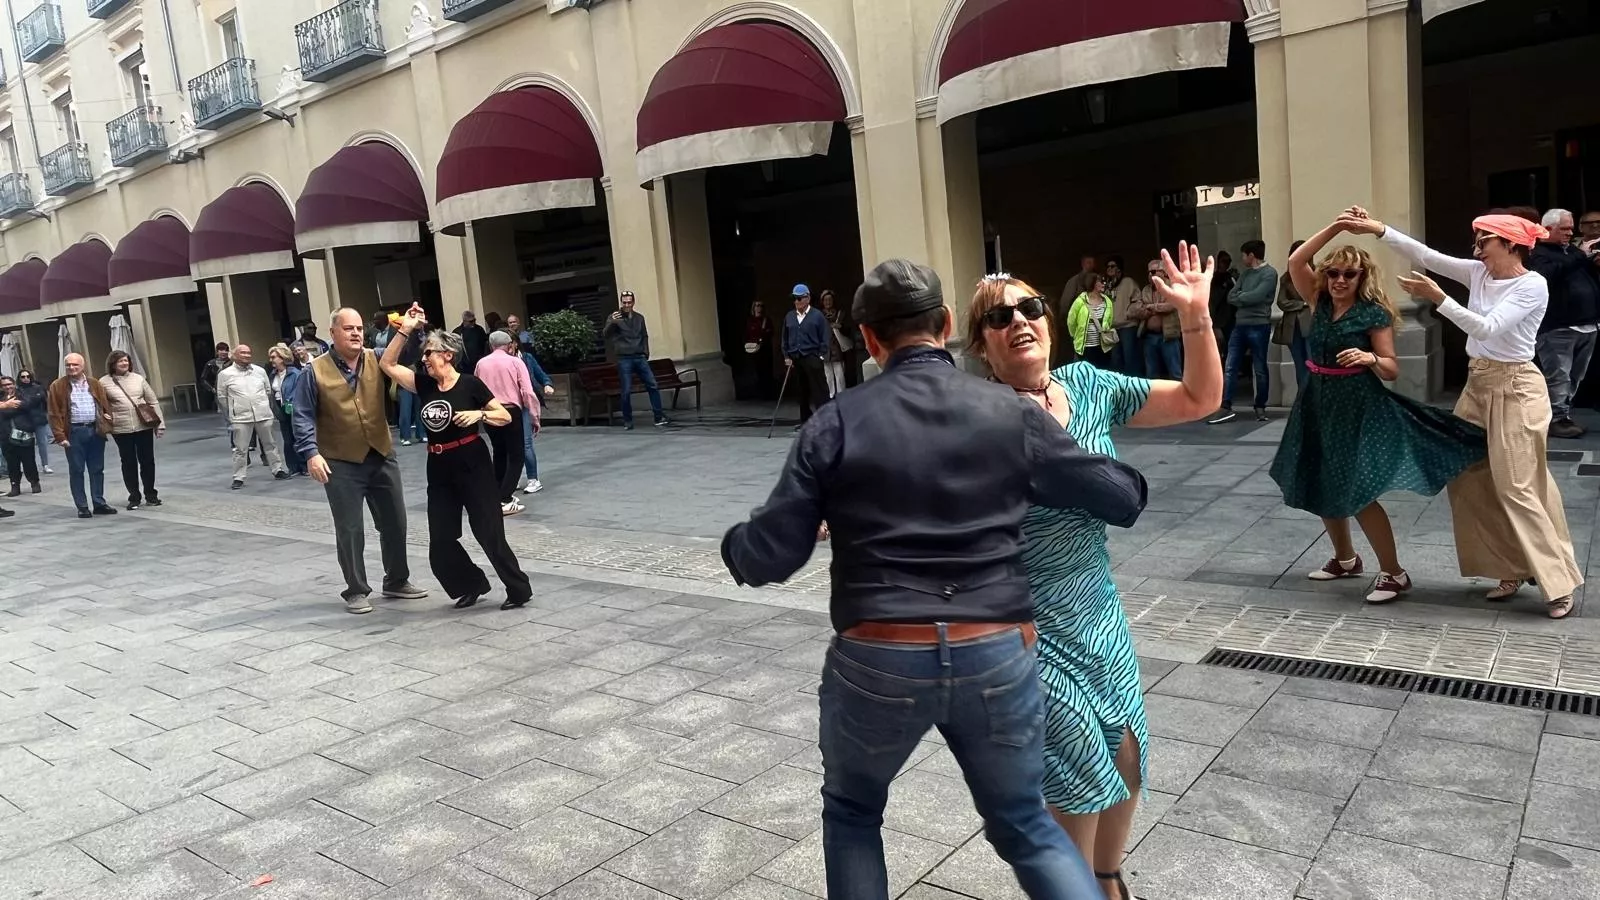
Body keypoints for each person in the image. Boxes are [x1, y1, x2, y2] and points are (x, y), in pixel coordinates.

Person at [721, 257, 1148, 900]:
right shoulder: (1009, 413)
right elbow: (1121, 498)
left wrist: (737, 546)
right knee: (1027, 826)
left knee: (853, 815)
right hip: (994, 650)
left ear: (870, 339)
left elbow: (770, 555)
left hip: (880, 652)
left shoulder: (835, 422)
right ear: (946, 324)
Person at [967, 245, 1220, 900]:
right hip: (1024, 623)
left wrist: (1195, 317)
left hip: (1096, 604)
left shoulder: (1089, 385)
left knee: (1127, 751)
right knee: (1076, 764)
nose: (1019, 321)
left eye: (1030, 308)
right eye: (999, 318)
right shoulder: (974, 416)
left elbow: (1200, 397)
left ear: (1048, 319)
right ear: (983, 346)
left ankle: (1107, 877)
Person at [1352, 206, 1584, 617]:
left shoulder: (1532, 286)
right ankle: (1510, 567)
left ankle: (1558, 582)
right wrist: (1379, 229)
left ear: (1511, 245)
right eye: (1476, 241)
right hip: (1478, 384)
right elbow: (1428, 256)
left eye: (1485, 241)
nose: (1477, 248)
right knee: (1465, 474)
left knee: (1517, 486)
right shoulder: (1479, 273)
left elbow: (1488, 327)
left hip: (1516, 388)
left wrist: (1438, 299)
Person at [1271, 214, 1486, 604]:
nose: (1339, 280)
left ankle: (1394, 573)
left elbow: (1390, 368)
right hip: (1317, 401)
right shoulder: (1319, 301)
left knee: (1359, 488)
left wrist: (1369, 357)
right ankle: (1346, 559)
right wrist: (1337, 227)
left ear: (1361, 277)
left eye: (1348, 274)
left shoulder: (1373, 313)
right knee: (1322, 478)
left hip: (1358, 405)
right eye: (1333, 272)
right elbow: (1296, 261)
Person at [380, 309, 533, 611]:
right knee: (440, 540)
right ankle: (471, 584)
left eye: (429, 353)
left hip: (472, 463)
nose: (424, 359)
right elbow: (387, 363)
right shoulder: (424, 385)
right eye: (424, 354)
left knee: (488, 532)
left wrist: (479, 414)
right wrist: (405, 329)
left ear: (447, 355)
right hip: (439, 467)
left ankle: (518, 589)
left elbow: (504, 415)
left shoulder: (470, 384)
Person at [292, 308, 428, 614]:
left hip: (380, 454)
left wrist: (414, 328)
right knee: (350, 529)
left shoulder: (377, 357)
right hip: (340, 461)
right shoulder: (313, 371)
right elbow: (302, 415)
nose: (356, 333)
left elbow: (407, 354)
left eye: (358, 328)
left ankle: (396, 580)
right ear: (333, 333)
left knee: (395, 522)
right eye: (348, 328)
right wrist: (311, 453)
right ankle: (355, 589)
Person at [1530, 209, 1600, 438]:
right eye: (1564, 229)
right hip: (1558, 326)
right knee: (1558, 376)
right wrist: (1581, 256)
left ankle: (1563, 415)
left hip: (1588, 324)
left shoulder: (1572, 252)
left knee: (1575, 377)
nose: (1570, 233)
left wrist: (1592, 262)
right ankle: (1555, 420)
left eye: (1571, 228)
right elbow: (1545, 276)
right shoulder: (1537, 252)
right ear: (1547, 229)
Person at [1209, 240, 1278, 423]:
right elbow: (1231, 296)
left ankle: (1260, 406)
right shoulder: (1245, 274)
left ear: (1251, 255)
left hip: (1259, 325)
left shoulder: (1269, 273)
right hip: (1239, 326)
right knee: (1230, 366)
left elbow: (1258, 295)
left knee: (1260, 368)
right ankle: (1226, 406)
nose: (1242, 259)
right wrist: (1245, 298)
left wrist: (1242, 297)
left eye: (1243, 255)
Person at [46, 353, 116, 519]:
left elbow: (104, 403)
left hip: (95, 430)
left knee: (97, 469)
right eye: (68, 365)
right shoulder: (58, 385)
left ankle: (99, 502)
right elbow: (53, 412)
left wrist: (107, 417)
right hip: (74, 432)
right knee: (77, 469)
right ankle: (82, 506)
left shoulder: (94, 383)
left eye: (75, 365)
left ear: (82, 366)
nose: (71, 368)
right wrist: (60, 436)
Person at [477, 331, 537, 515]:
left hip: (490, 411)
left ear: (491, 345)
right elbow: (527, 391)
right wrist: (534, 415)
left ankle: (496, 494)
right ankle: (505, 497)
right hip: (511, 410)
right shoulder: (515, 362)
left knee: (499, 452)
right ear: (509, 345)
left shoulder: (481, 364)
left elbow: (476, 388)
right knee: (516, 455)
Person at [216, 344, 290, 490]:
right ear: (235, 355)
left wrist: (264, 406)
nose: (247, 355)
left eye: (249, 353)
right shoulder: (225, 374)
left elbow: (268, 391)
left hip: (263, 414)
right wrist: (233, 410)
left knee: (270, 444)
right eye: (243, 353)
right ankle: (238, 477)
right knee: (240, 449)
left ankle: (278, 469)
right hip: (241, 417)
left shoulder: (259, 371)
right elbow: (222, 396)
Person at [100, 350, 164, 510]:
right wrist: (104, 415)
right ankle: (134, 496)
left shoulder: (138, 378)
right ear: (112, 364)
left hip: (143, 426)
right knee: (128, 462)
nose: (124, 363)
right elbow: (100, 404)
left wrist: (160, 423)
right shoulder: (104, 382)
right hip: (121, 429)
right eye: (120, 361)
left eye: (126, 360)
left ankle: (151, 494)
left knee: (147, 461)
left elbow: (153, 401)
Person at [603, 291, 669, 429]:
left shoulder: (639, 318)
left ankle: (659, 416)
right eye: (624, 302)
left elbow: (644, 335)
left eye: (629, 302)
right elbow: (606, 335)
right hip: (624, 358)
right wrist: (612, 323)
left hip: (639, 357)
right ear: (621, 302)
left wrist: (646, 352)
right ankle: (628, 420)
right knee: (626, 390)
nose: (627, 305)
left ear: (633, 302)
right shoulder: (614, 317)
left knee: (653, 385)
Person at [504, 314, 555, 494]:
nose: (506, 347)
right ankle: (514, 477)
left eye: (509, 343)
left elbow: (541, 375)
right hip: (508, 406)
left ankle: (533, 479)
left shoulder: (526, 358)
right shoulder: (500, 362)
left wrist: (547, 384)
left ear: (515, 344)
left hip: (524, 405)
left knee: (525, 443)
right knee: (511, 445)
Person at [783, 284, 832, 422]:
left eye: (799, 298)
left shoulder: (817, 316)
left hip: (813, 357)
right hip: (796, 358)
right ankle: (805, 420)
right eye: (794, 298)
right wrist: (786, 355)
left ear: (808, 298)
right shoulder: (789, 316)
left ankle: (825, 420)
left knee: (819, 391)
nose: (797, 301)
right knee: (801, 392)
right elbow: (784, 338)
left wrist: (821, 354)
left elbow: (825, 336)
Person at [1129, 259, 1183, 379]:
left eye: (1153, 272)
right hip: (1150, 337)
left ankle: (1178, 392)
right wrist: (1152, 309)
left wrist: (1152, 307)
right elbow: (1137, 309)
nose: (1150, 274)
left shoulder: (1173, 286)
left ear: (1163, 272)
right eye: (1148, 272)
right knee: (1151, 373)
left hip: (1168, 336)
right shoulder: (1145, 290)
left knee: (1175, 372)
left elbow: (1172, 305)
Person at [1273, 239, 1313, 391]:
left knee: (1312, 362)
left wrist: (1305, 304)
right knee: (1299, 363)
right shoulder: (1286, 277)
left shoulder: (1317, 274)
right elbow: (1281, 302)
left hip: (1311, 324)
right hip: (1292, 326)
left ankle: (1312, 397)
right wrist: (1302, 304)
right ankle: (1302, 397)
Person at [267, 344, 308, 477]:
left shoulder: (295, 373)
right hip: (281, 408)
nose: (271, 360)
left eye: (274, 357)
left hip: (294, 408)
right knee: (287, 439)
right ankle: (293, 467)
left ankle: (304, 466)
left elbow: (299, 391)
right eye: (270, 357)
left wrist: (293, 405)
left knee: (298, 437)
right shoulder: (273, 375)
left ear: (282, 358)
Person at [1, 373, 41, 497]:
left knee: (29, 461)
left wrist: (5, 407)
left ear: (14, 384)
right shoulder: (1, 398)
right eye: (4, 385)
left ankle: (34, 482)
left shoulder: (22, 394)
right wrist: (6, 406)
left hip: (24, 433)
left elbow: (28, 404)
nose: (7, 387)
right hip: (6, 435)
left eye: (9, 384)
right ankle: (15, 486)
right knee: (12, 463)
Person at [1056, 255, 1099, 366]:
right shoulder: (1074, 281)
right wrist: (1063, 318)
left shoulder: (1098, 280)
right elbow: (1065, 302)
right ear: (1083, 264)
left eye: (1093, 263)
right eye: (1089, 262)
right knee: (1080, 353)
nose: (1091, 265)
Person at [1103, 256, 1143, 376]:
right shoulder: (1107, 285)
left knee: (1130, 359)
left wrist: (1128, 313)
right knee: (1115, 361)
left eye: (1112, 266)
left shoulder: (1128, 282)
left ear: (1119, 268)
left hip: (1127, 326)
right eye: (1107, 266)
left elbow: (1138, 301)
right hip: (1112, 328)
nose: (1109, 269)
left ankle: (1133, 384)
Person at [1065, 274, 1115, 368]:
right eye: (1100, 281)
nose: (1104, 284)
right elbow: (1071, 321)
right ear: (1092, 283)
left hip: (1103, 347)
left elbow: (1110, 320)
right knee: (1085, 373)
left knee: (1102, 372)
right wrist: (1076, 335)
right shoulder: (1080, 301)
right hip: (1085, 347)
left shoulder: (1107, 301)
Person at [15, 370, 51, 475]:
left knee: (42, 443)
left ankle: (45, 465)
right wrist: (34, 398)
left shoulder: (38, 387)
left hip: (39, 419)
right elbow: (23, 404)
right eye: (23, 377)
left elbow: (44, 401)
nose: (26, 378)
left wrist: (28, 401)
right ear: (19, 378)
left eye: (28, 376)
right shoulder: (18, 390)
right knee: (25, 445)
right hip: (25, 420)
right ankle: (28, 466)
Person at [819, 289, 854, 396]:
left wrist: (840, 326)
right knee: (828, 375)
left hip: (837, 347)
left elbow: (848, 329)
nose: (828, 302)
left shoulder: (840, 314)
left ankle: (841, 395)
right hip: (825, 348)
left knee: (839, 373)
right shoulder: (819, 316)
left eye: (830, 300)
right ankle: (831, 396)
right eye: (825, 300)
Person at [742, 300, 777, 399]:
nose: (759, 308)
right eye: (757, 305)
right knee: (755, 371)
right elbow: (746, 334)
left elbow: (770, 332)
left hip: (765, 350)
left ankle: (767, 393)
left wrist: (762, 337)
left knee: (767, 371)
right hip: (753, 350)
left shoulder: (766, 320)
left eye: (761, 306)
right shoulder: (750, 321)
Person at [200, 342, 229, 413]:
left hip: (231, 390)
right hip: (219, 392)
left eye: (226, 350)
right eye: (221, 350)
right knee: (224, 412)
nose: (224, 352)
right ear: (217, 351)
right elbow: (203, 379)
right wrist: (212, 388)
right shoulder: (210, 364)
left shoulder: (232, 363)